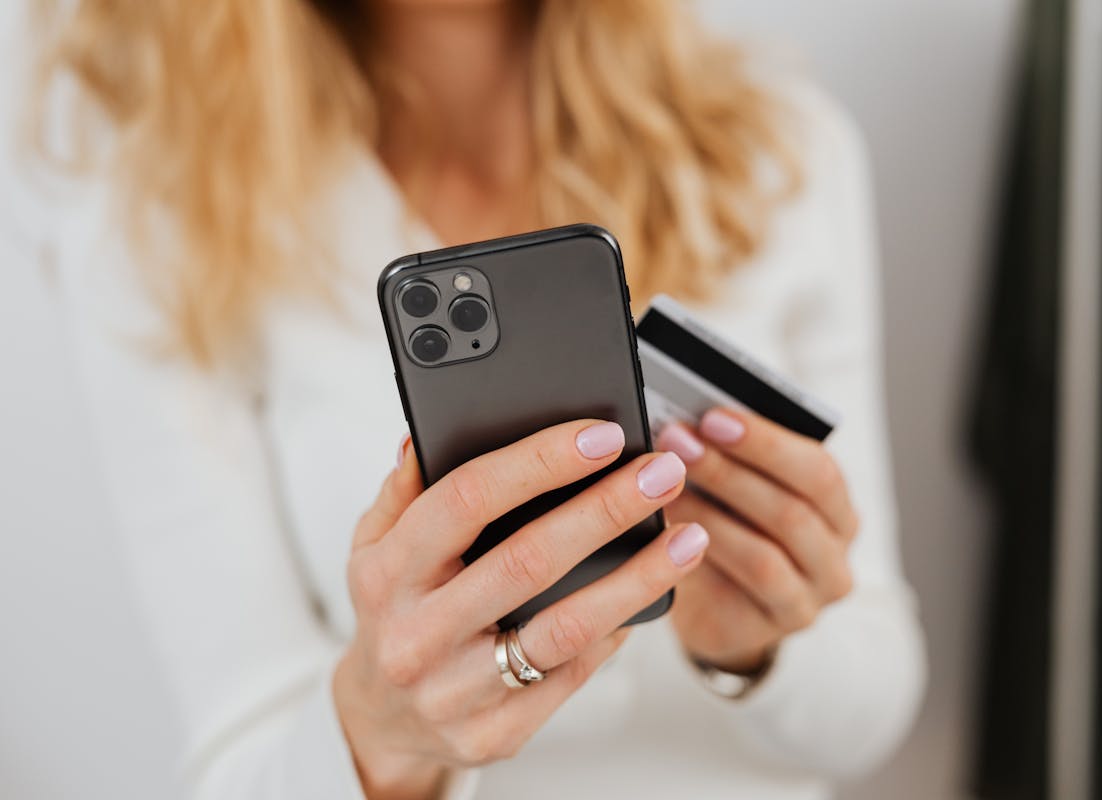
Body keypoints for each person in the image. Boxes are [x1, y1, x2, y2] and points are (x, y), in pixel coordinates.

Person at [36, 1, 925, 797]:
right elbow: (237, 768)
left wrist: (759, 648)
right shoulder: (163, 215)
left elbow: (873, 708)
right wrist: (380, 731)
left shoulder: (782, 149)